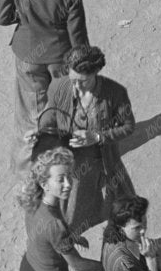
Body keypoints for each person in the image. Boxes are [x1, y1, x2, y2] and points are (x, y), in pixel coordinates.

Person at [0, 0, 89, 151]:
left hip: (28, 55)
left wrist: (23, 17)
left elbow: (2, 17)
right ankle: (64, 149)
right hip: (60, 57)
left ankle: (37, 154)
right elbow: (77, 34)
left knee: (32, 108)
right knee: (62, 105)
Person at [36, 43, 136, 232]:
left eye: (83, 81)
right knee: (69, 219)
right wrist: (40, 135)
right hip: (72, 169)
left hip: (104, 164)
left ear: (96, 72)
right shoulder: (59, 86)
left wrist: (97, 136)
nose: (77, 86)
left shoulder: (115, 93)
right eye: (73, 79)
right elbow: (48, 118)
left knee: (123, 213)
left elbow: (129, 127)